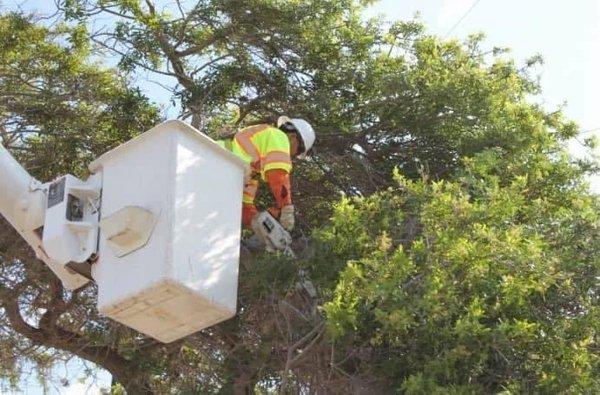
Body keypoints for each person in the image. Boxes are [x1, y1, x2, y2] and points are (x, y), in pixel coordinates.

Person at [218, 116, 315, 231]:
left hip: (216, 167)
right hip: (217, 160)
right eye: (298, 151)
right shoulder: (278, 136)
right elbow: (278, 176)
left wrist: (263, 224)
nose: (293, 156)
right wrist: (286, 207)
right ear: (293, 137)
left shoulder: (251, 173)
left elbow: (244, 207)